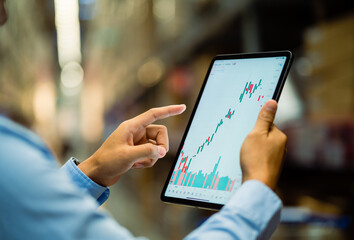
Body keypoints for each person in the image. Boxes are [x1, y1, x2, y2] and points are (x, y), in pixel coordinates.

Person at [0, 1, 287, 239]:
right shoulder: (7, 154)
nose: (5, 14)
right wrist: (257, 188)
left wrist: (93, 171)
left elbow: (25, 212)